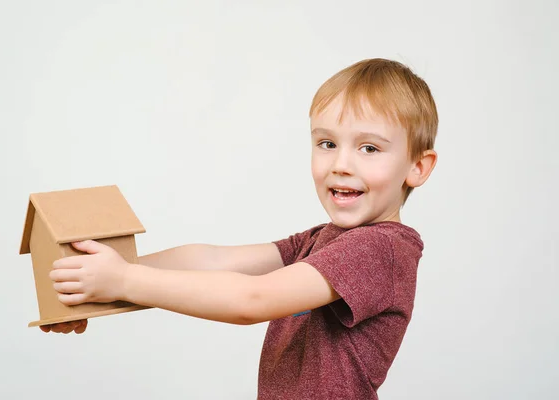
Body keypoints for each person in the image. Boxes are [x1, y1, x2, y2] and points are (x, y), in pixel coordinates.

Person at [42, 58, 438, 399]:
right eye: (327, 143)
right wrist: (97, 284)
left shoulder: (381, 249)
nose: (342, 164)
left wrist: (123, 279)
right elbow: (214, 260)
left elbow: (252, 299)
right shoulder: (322, 240)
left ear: (418, 167)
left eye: (369, 148)